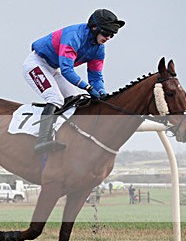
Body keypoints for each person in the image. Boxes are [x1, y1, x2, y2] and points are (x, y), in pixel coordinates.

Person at [23, 9, 125, 153]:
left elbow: (96, 76)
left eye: (112, 35)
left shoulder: (99, 49)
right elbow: (67, 70)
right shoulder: (74, 36)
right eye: (106, 33)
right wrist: (88, 88)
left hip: (53, 68)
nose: (108, 37)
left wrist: (102, 92)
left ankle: (63, 134)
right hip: (36, 64)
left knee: (75, 100)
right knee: (55, 99)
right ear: (94, 28)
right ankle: (42, 140)